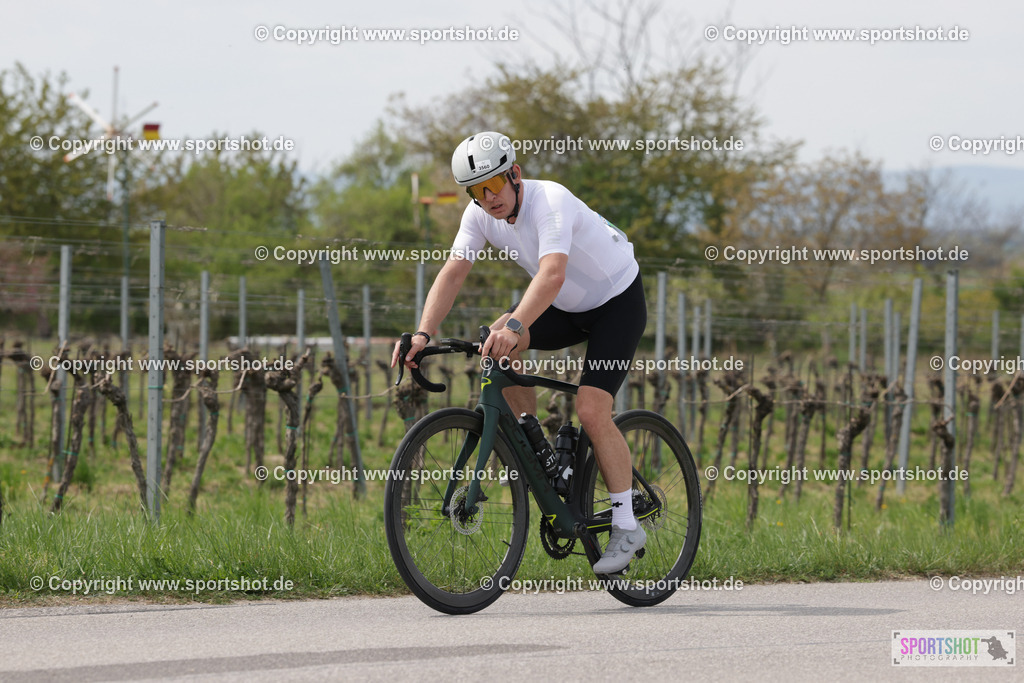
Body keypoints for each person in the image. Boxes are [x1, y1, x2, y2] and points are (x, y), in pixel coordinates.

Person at [391, 131, 648, 574]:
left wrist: (516, 323)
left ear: (515, 174)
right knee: (496, 344)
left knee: (590, 409)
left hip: (615, 303)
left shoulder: (550, 201)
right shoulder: (479, 216)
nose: (488, 198)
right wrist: (422, 334)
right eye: (476, 190)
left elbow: (551, 273)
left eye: (494, 185)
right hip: (566, 307)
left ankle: (626, 525)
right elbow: (453, 272)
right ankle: (534, 443)